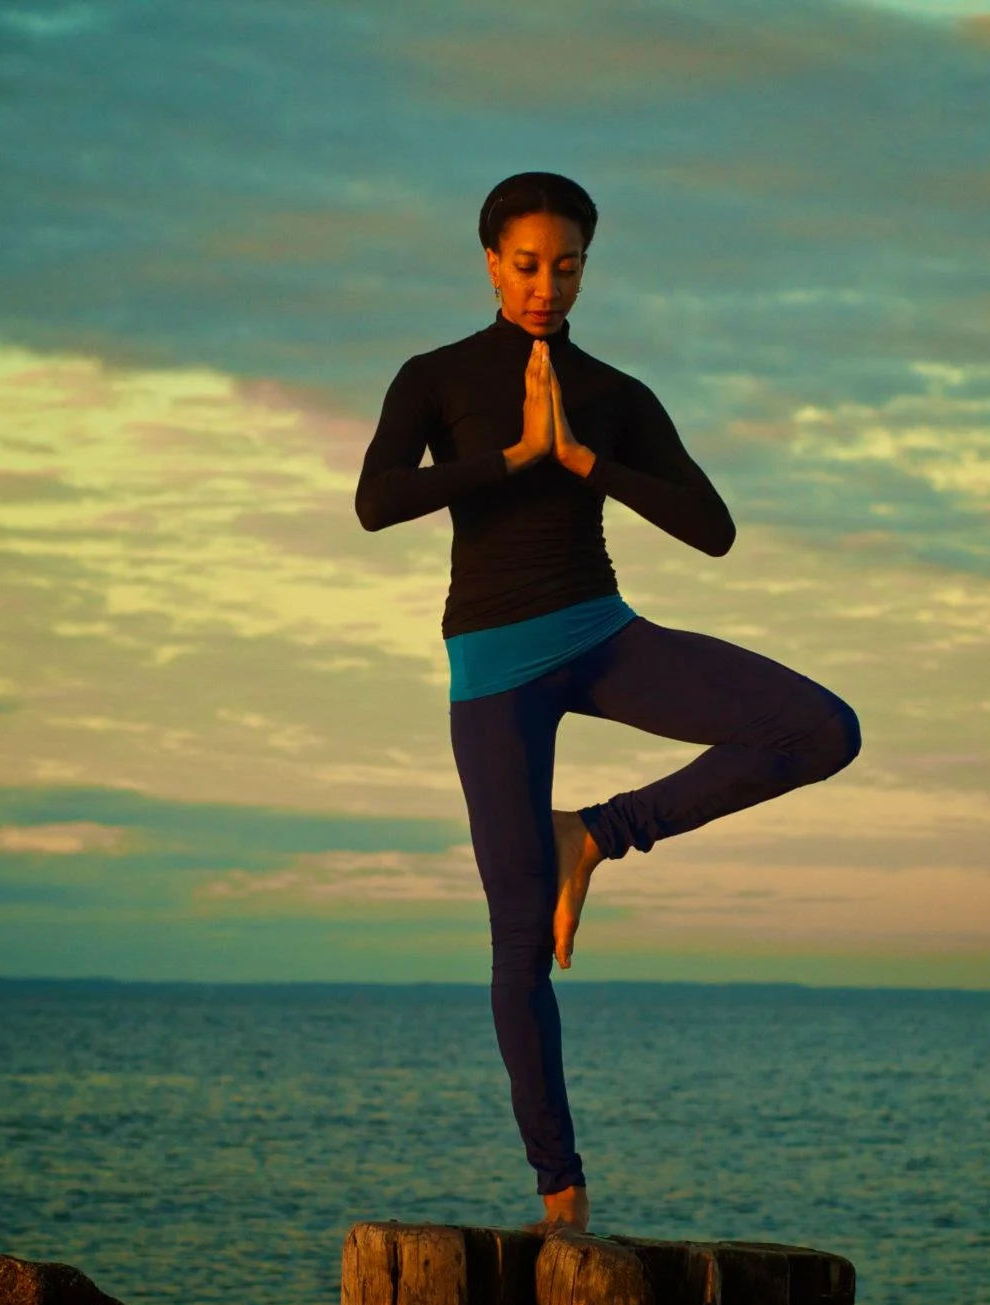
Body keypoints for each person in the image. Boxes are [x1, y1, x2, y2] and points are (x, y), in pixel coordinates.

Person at [354, 171, 862, 1235]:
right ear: (491, 261)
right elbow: (375, 501)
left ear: (587, 265)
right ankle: (560, 1193)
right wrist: (509, 460)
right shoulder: (434, 375)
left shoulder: (618, 395)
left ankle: (598, 831)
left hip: (601, 634)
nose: (546, 286)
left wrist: (583, 460)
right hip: (492, 663)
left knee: (822, 727)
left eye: (568, 265)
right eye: (527, 265)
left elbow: (711, 528)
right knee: (513, 944)